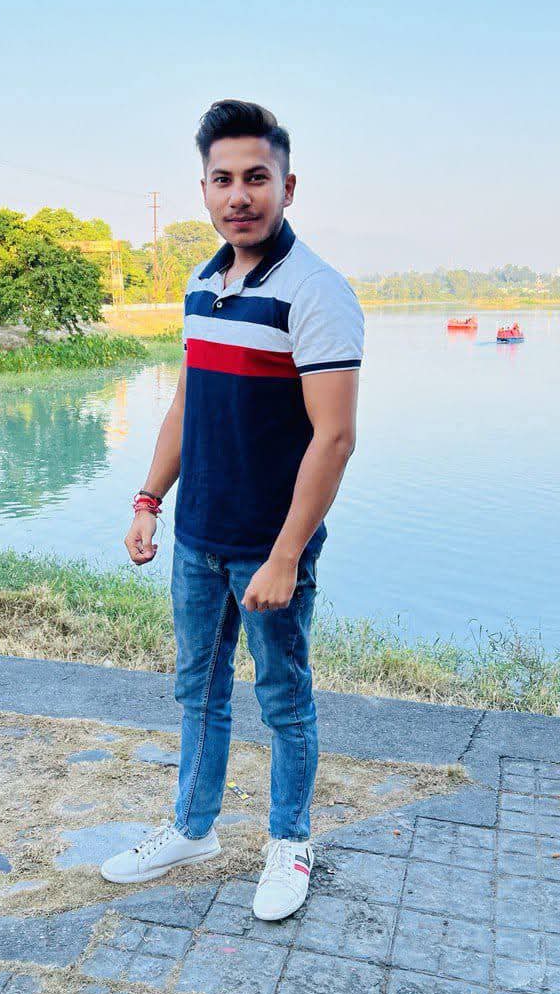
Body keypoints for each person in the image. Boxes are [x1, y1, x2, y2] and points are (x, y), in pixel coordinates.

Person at [101, 100, 364, 921]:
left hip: (267, 548)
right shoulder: (201, 284)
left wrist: (286, 556)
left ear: (289, 186)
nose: (239, 195)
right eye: (223, 179)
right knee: (198, 690)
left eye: (257, 177)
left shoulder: (316, 292)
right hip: (196, 540)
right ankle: (193, 828)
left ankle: (290, 842)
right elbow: (188, 404)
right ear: (205, 190)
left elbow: (334, 439)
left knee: (283, 698)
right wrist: (149, 500)